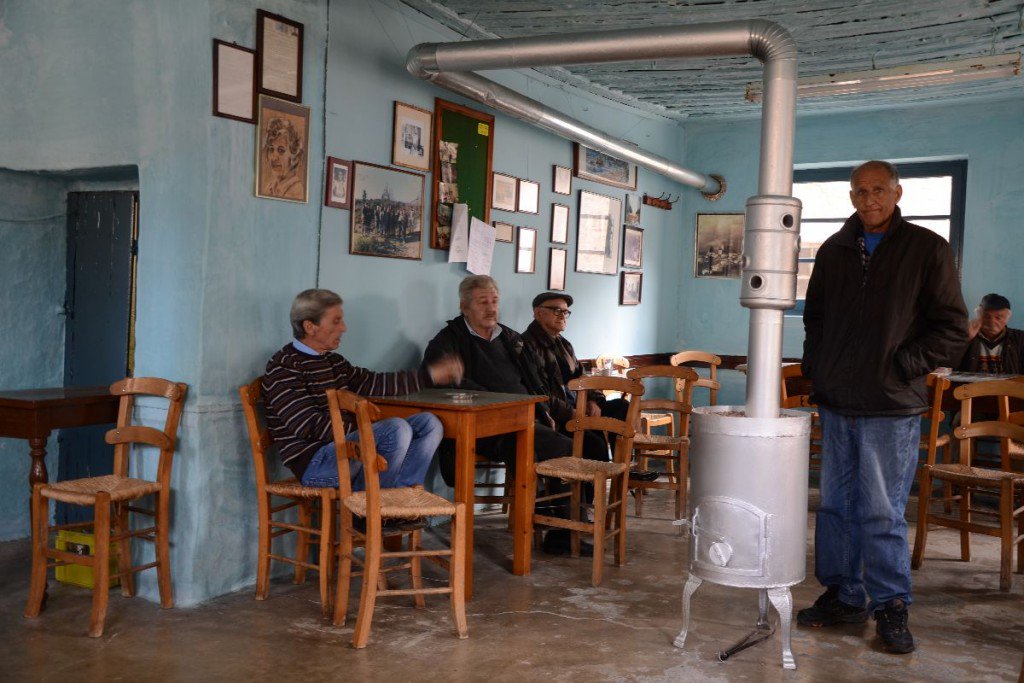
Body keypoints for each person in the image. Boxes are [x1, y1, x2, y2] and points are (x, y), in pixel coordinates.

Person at [799, 161, 968, 654]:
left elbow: (953, 329)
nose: (868, 199)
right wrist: (819, 368)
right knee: (834, 506)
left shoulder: (926, 248)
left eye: (878, 190)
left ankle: (891, 604)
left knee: (880, 510)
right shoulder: (832, 250)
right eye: (859, 192)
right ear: (851, 197)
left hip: (891, 404)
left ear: (897, 192)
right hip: (836, 401)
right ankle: (843, 594)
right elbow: (816, 319)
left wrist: (902, 365)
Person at [422, 275, 594, 555]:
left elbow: (534, 381)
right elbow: (442, 381)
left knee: (569, 443)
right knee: (555, 447)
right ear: (464, 306)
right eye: (482, 302)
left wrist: (543, 409)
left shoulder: (510, 338)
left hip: (521, 420)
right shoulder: (448, 340)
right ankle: (556, 525)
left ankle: (560, 524)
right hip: (482, 426)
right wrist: (501, 404)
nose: (491, 308)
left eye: (494, 301)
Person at [263, 289, 463, 515]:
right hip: (315, 463)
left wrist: (430, 375)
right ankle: (370, 514)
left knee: (429, 423)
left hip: (346, 450)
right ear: (310, 327)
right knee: (395, 428)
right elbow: (307, 425)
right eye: (336, 321)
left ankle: (399, 503)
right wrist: (370, 430)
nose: (344, 328)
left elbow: (375, 383)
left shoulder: (334, 362)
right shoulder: (284, 367)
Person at [522, 291, 656, 482]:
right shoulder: (527, 345)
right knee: (595, 444)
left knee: (621, 407)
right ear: (538, 313)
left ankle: (624, 470)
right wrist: (571, 412)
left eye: (565, 312)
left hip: (579, 408)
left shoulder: (564, 344)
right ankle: (588, 500)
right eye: (555, 310)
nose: (562, 315)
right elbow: (538, 393)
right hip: (555, 416)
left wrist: (594, 400)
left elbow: (582, 376)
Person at [957, 293, 1024, 374]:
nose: (992, 322)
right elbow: (947, 367)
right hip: (972, 386)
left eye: (998, 317)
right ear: (979, 316)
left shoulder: (1020, 338)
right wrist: (965, 339)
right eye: (986, 316)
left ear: (1007, 318)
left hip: (1008, 386)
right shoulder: (967, 336)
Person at [262, 117, 304, 200]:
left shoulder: (297, 191)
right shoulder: (269, 187)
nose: (273, 158)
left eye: (281, 150)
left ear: (294, 156)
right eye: (271, 149)